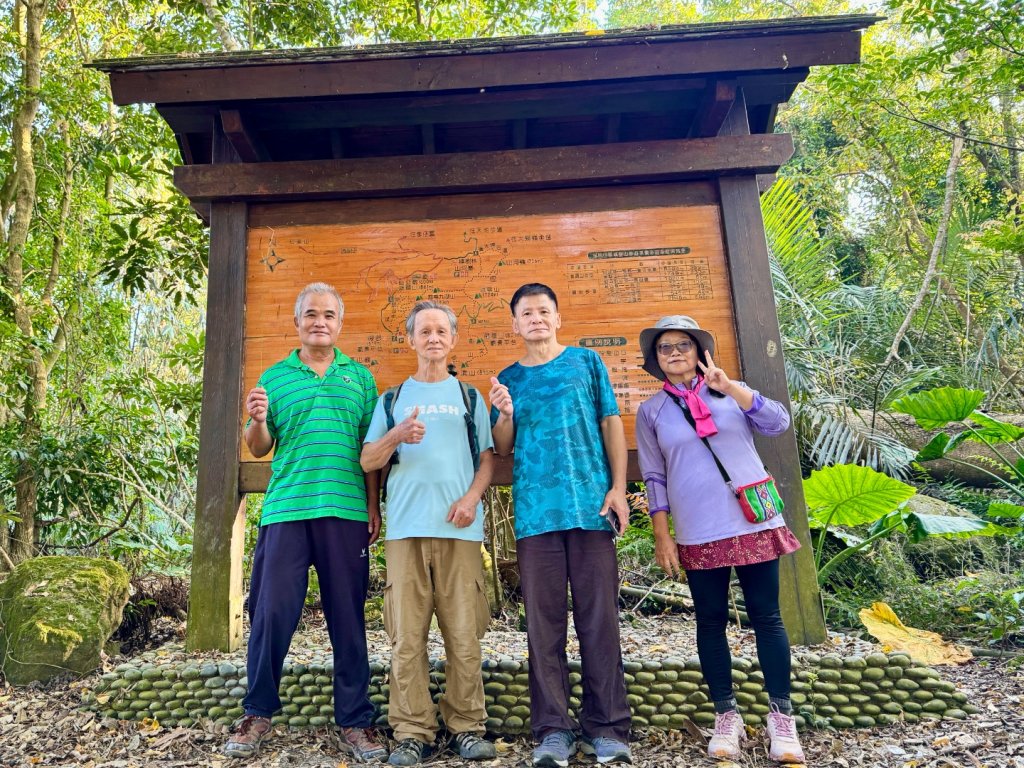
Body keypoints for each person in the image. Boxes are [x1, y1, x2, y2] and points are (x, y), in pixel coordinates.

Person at [225, 283, 388, 762]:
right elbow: (259, 447)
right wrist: (256, 420)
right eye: (311, 314)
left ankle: (356, 720)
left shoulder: (360, 379)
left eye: (329, 315)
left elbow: (370, 454)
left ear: (340, 324)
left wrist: (373, 506)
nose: (320, 321)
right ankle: (256, 712)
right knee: (271, 613)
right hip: (286, 512)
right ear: (297, 323)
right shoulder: (274, 379)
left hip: (346, 513)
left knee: (348, 619)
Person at [634, 315, 805, 764]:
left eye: (683, 345)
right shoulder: (652, 411)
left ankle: (781, 719)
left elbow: (777, 423)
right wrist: (661, 533)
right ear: (655, 360)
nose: (674, 353)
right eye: (665, 348)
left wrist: (729, 387)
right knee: (709, 622)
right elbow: (654, 475)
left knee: (766, 617)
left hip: (753, 523)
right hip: (697, 529)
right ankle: (725, 716)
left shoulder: (731, 391)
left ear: (699, 351)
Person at [489, 283, 632, 768]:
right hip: (536, 516)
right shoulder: (509, 378)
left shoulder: (587, 363)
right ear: (515, 324)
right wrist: (504, 413)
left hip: (591, 510)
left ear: (557, 317)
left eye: (543, 311)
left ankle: (607, 726)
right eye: (526, 313)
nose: (535, 319)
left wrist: (618, 488)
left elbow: (611, 423)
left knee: (600, 620)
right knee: (543, 628)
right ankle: (553, 731)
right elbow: (503, 447)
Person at [361, 301, 497, 766]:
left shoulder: (470, 397)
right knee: (406, 636)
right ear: (411, 339)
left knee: (464, 634)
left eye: (441, 330)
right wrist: (397, 434)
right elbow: (368, 460)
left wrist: (472, 497)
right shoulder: (391, 399)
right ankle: (411, 729)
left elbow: (488, 459)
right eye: (425, 331)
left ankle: (466, 725)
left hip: (460, 531)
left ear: (453, 339)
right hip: (405, 531)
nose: (433, 337)